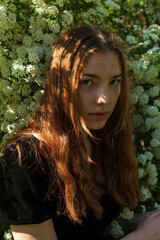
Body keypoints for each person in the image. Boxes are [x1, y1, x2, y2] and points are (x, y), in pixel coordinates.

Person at [0, 25, 160, 240]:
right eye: (88, 82)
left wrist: (143, 222)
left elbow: (89, 228)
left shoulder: (101, 139)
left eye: (114, 82)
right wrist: (142, 237)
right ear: (60, 84)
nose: (105, 98)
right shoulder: (25, 159)